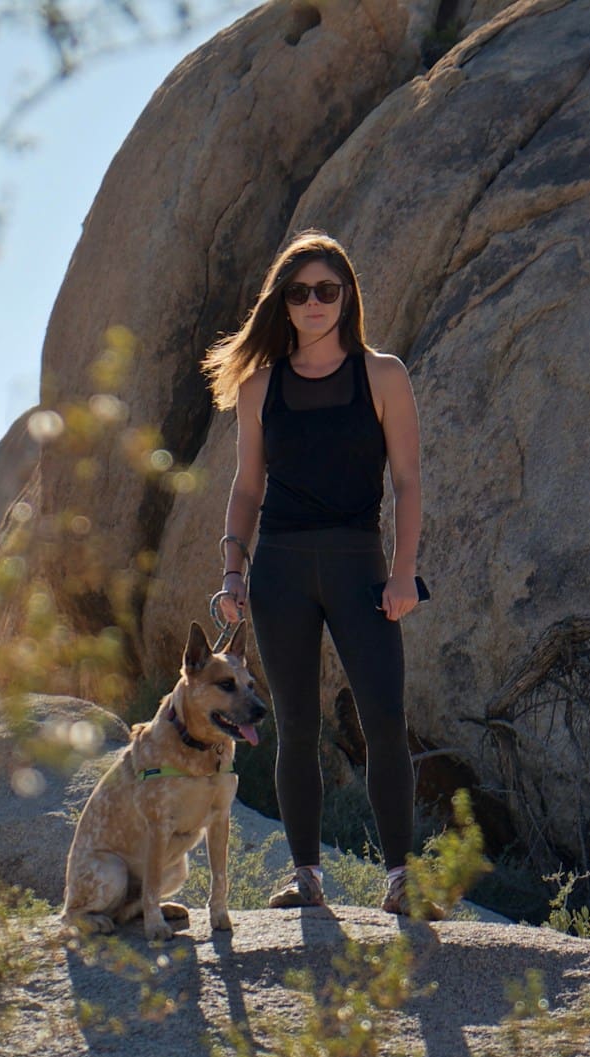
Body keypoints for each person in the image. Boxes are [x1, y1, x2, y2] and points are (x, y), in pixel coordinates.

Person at [201, 229, 439, 919]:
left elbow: (408, 480)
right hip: (279, 569)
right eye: (300, 291)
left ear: (347, 298)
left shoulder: (383, 374)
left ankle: (401, 879)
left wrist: (403, 574)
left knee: (385, 718)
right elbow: (247, 489)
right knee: (295, 724)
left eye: (326, 291)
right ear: (284, 301)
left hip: (359, 565)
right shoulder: (259, 386)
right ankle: (306, 877)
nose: (313, 303)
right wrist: (231, 571)